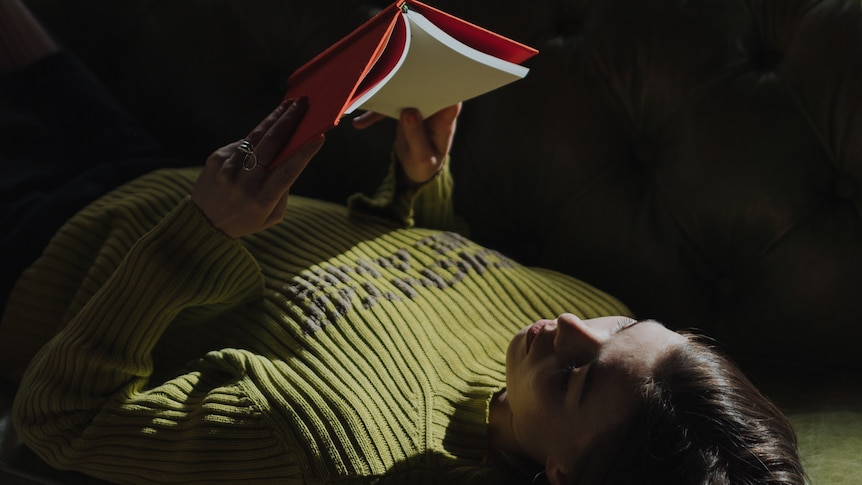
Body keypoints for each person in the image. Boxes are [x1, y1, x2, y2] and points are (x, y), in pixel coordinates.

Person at [0, 1, 805, 484]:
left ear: (560, 476)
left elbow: (56, 414)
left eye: (575, 380)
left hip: (49, 244)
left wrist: (199, 234)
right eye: (632, 328)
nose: (576, 328)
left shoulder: (327, 445)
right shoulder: (586, 325)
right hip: (174, 177)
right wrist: (421, 188)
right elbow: (413, 295)